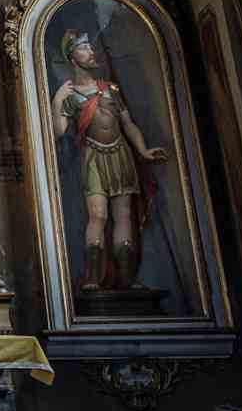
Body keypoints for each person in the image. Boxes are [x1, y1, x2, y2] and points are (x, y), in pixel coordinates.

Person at [51, 30, 167, 291]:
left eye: (90, 47)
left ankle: (126, 278)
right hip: (92, 157)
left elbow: (128, 123)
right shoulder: (70, 94)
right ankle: (93, 277)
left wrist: (143, 150)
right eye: (84, 48)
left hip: (120, 154)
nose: (91, 52)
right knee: (98, 216)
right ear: (72, 56)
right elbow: (58, 131)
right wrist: (57, 100)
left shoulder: (110, 89)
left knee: (123, 217)